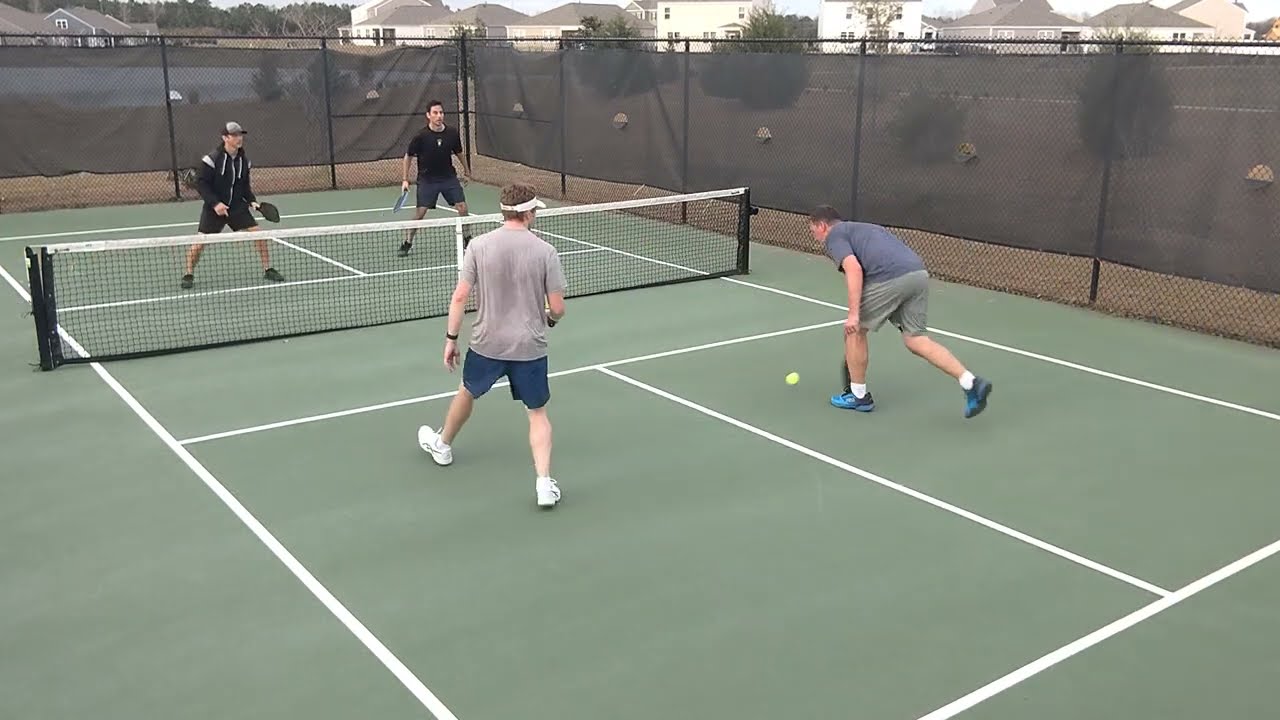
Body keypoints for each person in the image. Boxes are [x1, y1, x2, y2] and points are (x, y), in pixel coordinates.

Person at [417, 183, 568, 508]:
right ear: (527, 213)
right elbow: (557, 308)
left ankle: (442, 445)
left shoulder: (479, 246)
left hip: (486, 343)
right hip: (529, 346)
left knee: (467, 391)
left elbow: (459, 296)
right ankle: (544, 485)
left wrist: (451, 339)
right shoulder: (546, 252)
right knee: (537, 413)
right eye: (535, 211)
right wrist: (549, 318)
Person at [807, 206, 993, 418]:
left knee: (855, 330)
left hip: (890, 277)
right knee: (916, 339)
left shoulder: (835, 236)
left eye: (814, 231)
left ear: (822, 226)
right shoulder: (864, 229)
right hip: (918, 274)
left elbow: (854, 269)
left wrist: (853, 314)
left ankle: (858, 396)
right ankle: (970, 382)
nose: (815, 237)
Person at [183, 121, 284, 289]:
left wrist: (252, 201)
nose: (239, 138)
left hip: (237, 207)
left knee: (259, 235)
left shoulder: (244, 161)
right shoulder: (211, 160)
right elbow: (202, 185)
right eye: (234, 135)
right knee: (199, 243)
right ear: (225, 138)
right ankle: (188, 273)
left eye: (240, 135)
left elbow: (244, 186)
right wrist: (216, 204)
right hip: (214, 209)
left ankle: (268, 269)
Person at [399, 100, 472, 256]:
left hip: (448, 178)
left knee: (463, 208)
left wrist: (467, 171)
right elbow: (408, 156)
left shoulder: (452, 133)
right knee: (420, 213)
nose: (439, 116)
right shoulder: (420, 136)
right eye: (435, 113)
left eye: (441, 113)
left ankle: (467, 240)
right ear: (428, 115)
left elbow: (459, 153)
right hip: (427, 180)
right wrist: (405, 179)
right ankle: (408, 242)